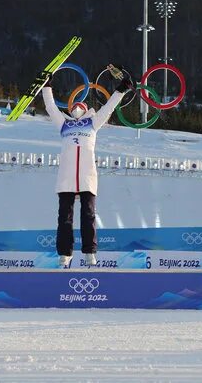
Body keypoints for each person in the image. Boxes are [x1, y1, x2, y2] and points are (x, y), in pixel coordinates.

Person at [41, 74, 133, 268]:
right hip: (66, 177)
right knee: (64, 217)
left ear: (87, 111)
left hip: (87, 176)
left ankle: (89, 252)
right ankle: (65, 254)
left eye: (81, 107)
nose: (77, 108)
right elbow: (51, 108)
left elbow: (108, 108)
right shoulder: (64, 124)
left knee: (88, 215)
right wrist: (47, 86)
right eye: (74, 107)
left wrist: (120, 90)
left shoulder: (93, 123)